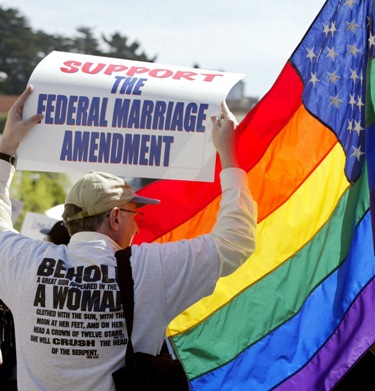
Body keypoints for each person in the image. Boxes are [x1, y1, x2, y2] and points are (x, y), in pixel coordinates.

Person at [0, 86, 257, 391]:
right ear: (116, 217)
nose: (138, 226)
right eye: (136, 214)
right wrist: (228, 153)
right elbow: (235, 241)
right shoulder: (149, 268)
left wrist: (7, 145)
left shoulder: (22, 264)